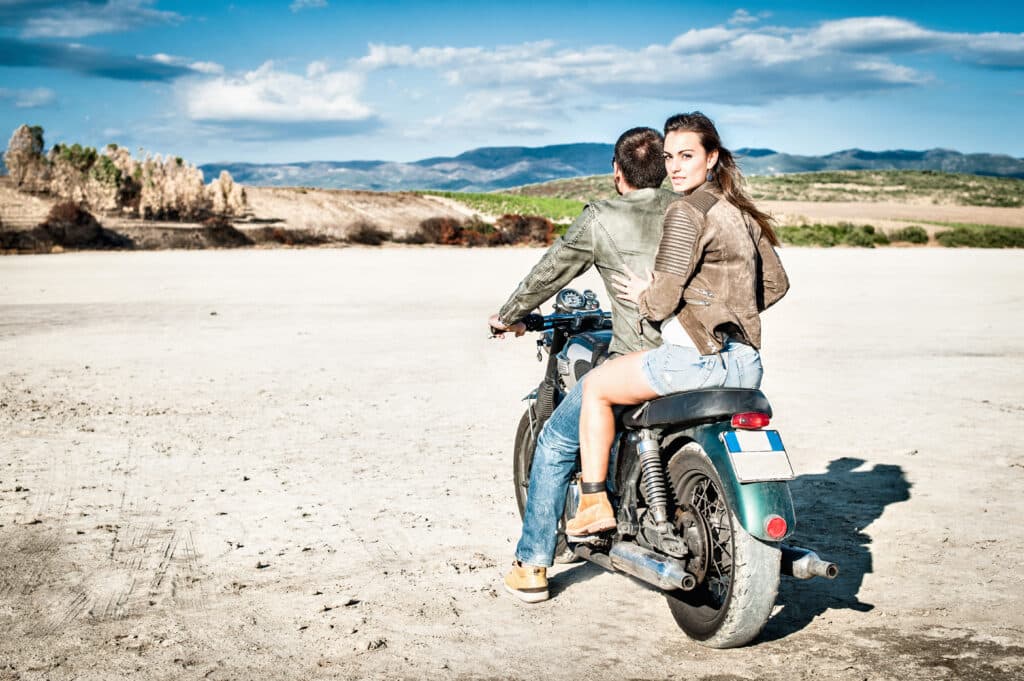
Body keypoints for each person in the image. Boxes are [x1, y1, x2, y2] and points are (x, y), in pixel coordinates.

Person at [565, 112, 791, 537]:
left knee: (595, 387)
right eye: (669, 157)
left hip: (694, 361)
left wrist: (644, 295)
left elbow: (663, 300)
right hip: (747, 363)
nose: (674, 167)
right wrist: (727, 309)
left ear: (712, 157)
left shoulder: (685, 211)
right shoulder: (739, 211)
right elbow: (776, 283)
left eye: (687, 156)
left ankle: (593, 504)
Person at [488, 126, 676, 603]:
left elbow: (550, 272)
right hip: (705, 356)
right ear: (665, 168)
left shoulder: (602, 217)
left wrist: (508, 317)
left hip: (639, 360)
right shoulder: (690, 209)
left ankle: (532, 565)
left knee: (555, 440)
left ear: (617, 171)